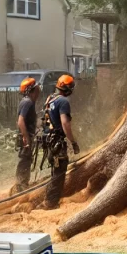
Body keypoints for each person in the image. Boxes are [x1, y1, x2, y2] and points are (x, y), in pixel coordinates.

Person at [42, 74, 80, 209]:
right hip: (57, 141)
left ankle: (50, 199)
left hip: (49, 141)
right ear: (68, 88)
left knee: (55, 170)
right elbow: (65, 123)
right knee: (59, 172)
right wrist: (73, 142)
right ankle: (51, 202)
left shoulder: (49, 99)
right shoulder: (63, 101)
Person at [12, 77, 41, 194]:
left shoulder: (26, 102)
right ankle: (20, 187)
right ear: (32, 90)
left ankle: (22, 184)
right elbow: (20, 121)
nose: (39, 90)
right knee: (25, 160)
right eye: (37, 88)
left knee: (26, 160)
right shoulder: (28, 102)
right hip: (26, 137)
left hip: (26, 135)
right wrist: (26, 138)